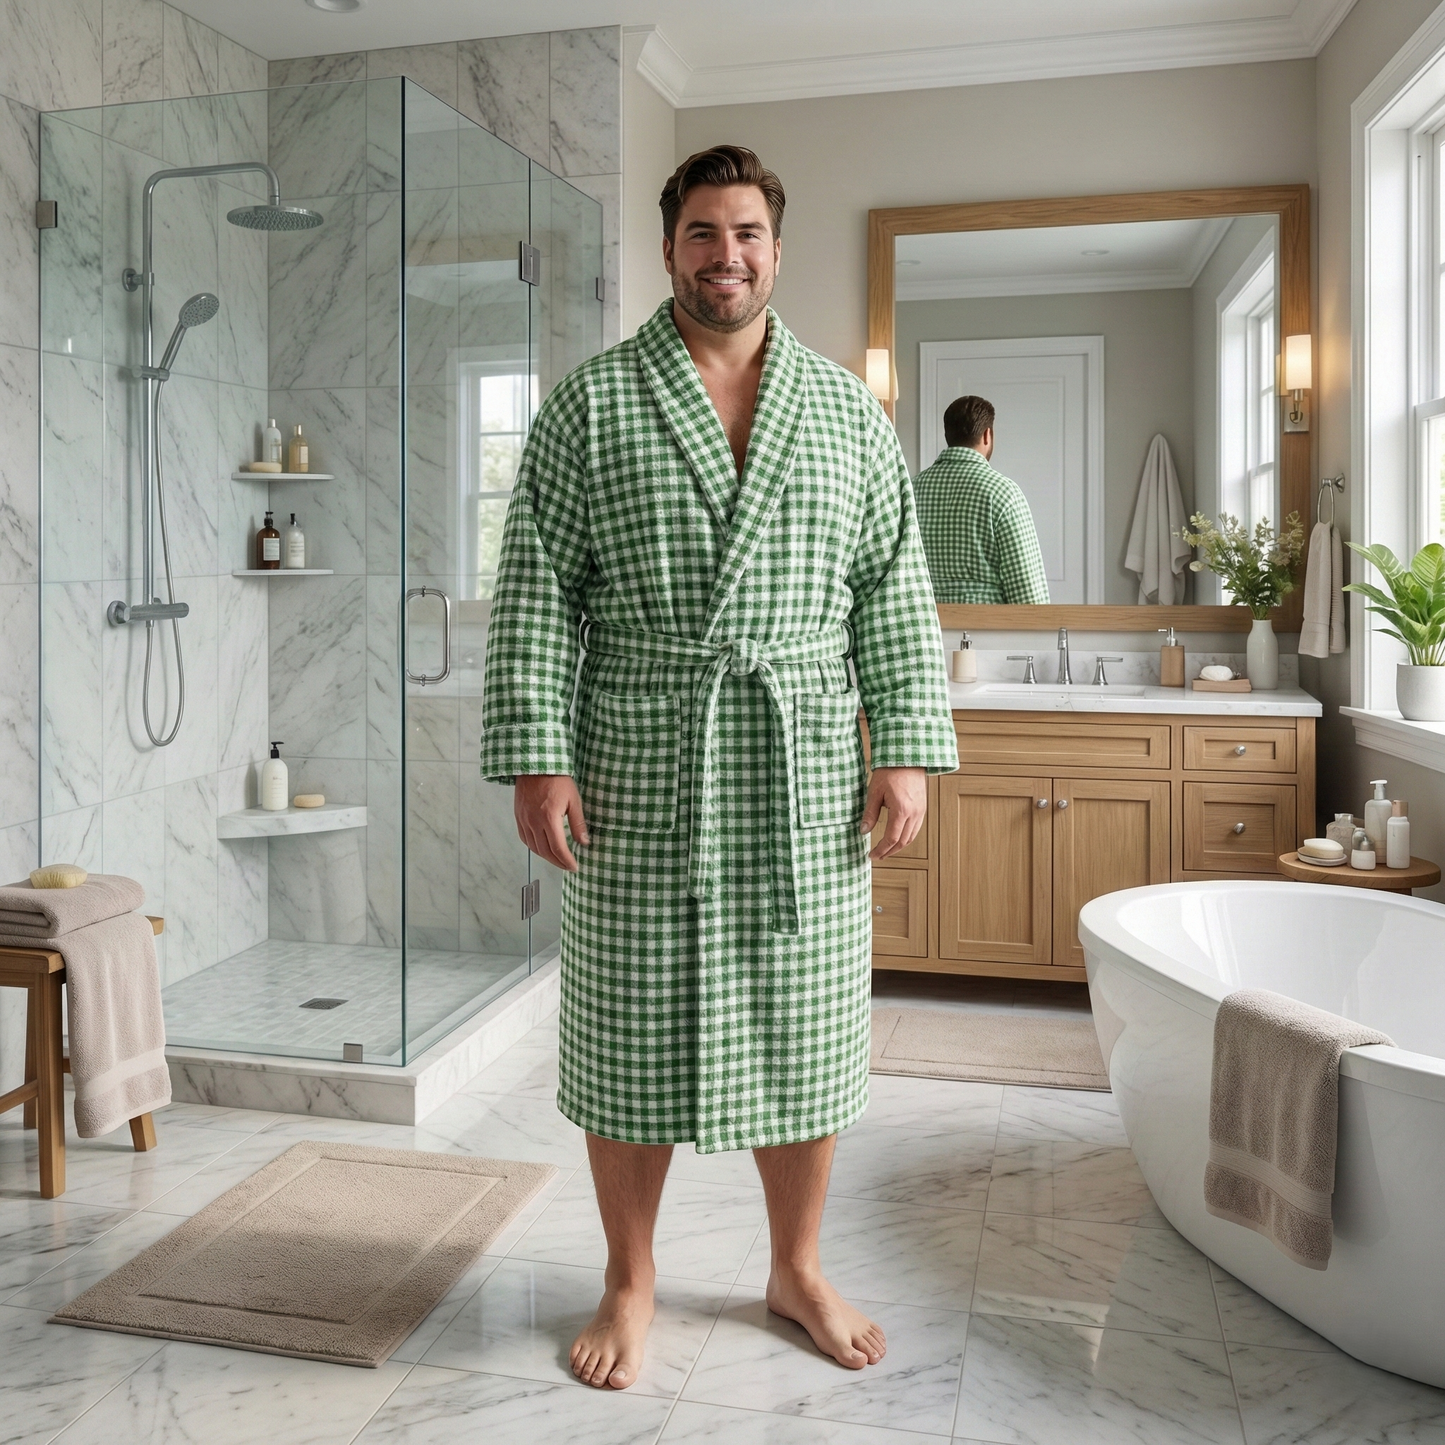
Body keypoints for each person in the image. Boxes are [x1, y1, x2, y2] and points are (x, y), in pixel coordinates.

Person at [480, 144, 957, 1391]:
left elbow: (890, 593)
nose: (725, 254)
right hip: (639, 752)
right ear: (670, 248)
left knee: (803, 1024)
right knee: (627, 1022)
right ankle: (628, 1275)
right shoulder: (590, 404)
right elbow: (535, 595)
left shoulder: (846, 409)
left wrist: (902, 746)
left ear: (776, 249)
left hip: (797, 755)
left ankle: (794, 1265)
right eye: (702, 233)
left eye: (745, 232)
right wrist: (538, 759)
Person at [911, 394, 1050, 604]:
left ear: (948, 434)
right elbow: (1029, 594)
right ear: (987, 435)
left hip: (923, 628)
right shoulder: (1003, 493)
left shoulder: (912, 490)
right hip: (987, 631)